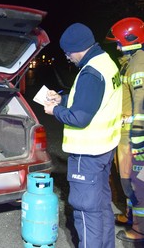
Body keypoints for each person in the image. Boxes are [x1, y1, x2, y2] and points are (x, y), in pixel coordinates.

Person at [44, 23, 122, 248]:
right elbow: (92, 100)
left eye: (68, 53)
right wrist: (63, 99)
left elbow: (80, 117)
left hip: (88, 154)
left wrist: (55, 111)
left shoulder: (90, 73)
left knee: (86, 211)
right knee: (101, 206)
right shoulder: (105, 63)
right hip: (104, 149)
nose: (68, 58)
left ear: (77, 49)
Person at [105, 17, 144, 243]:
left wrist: (138, 139)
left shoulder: (139, 65)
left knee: (134, 183)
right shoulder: (130, 62)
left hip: (132, 136)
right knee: (126, 180)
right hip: (125, 134)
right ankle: (131, 217)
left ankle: (139, 231)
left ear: (131, 39)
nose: (118, 46)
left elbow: (140, 104)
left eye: (119, 42)